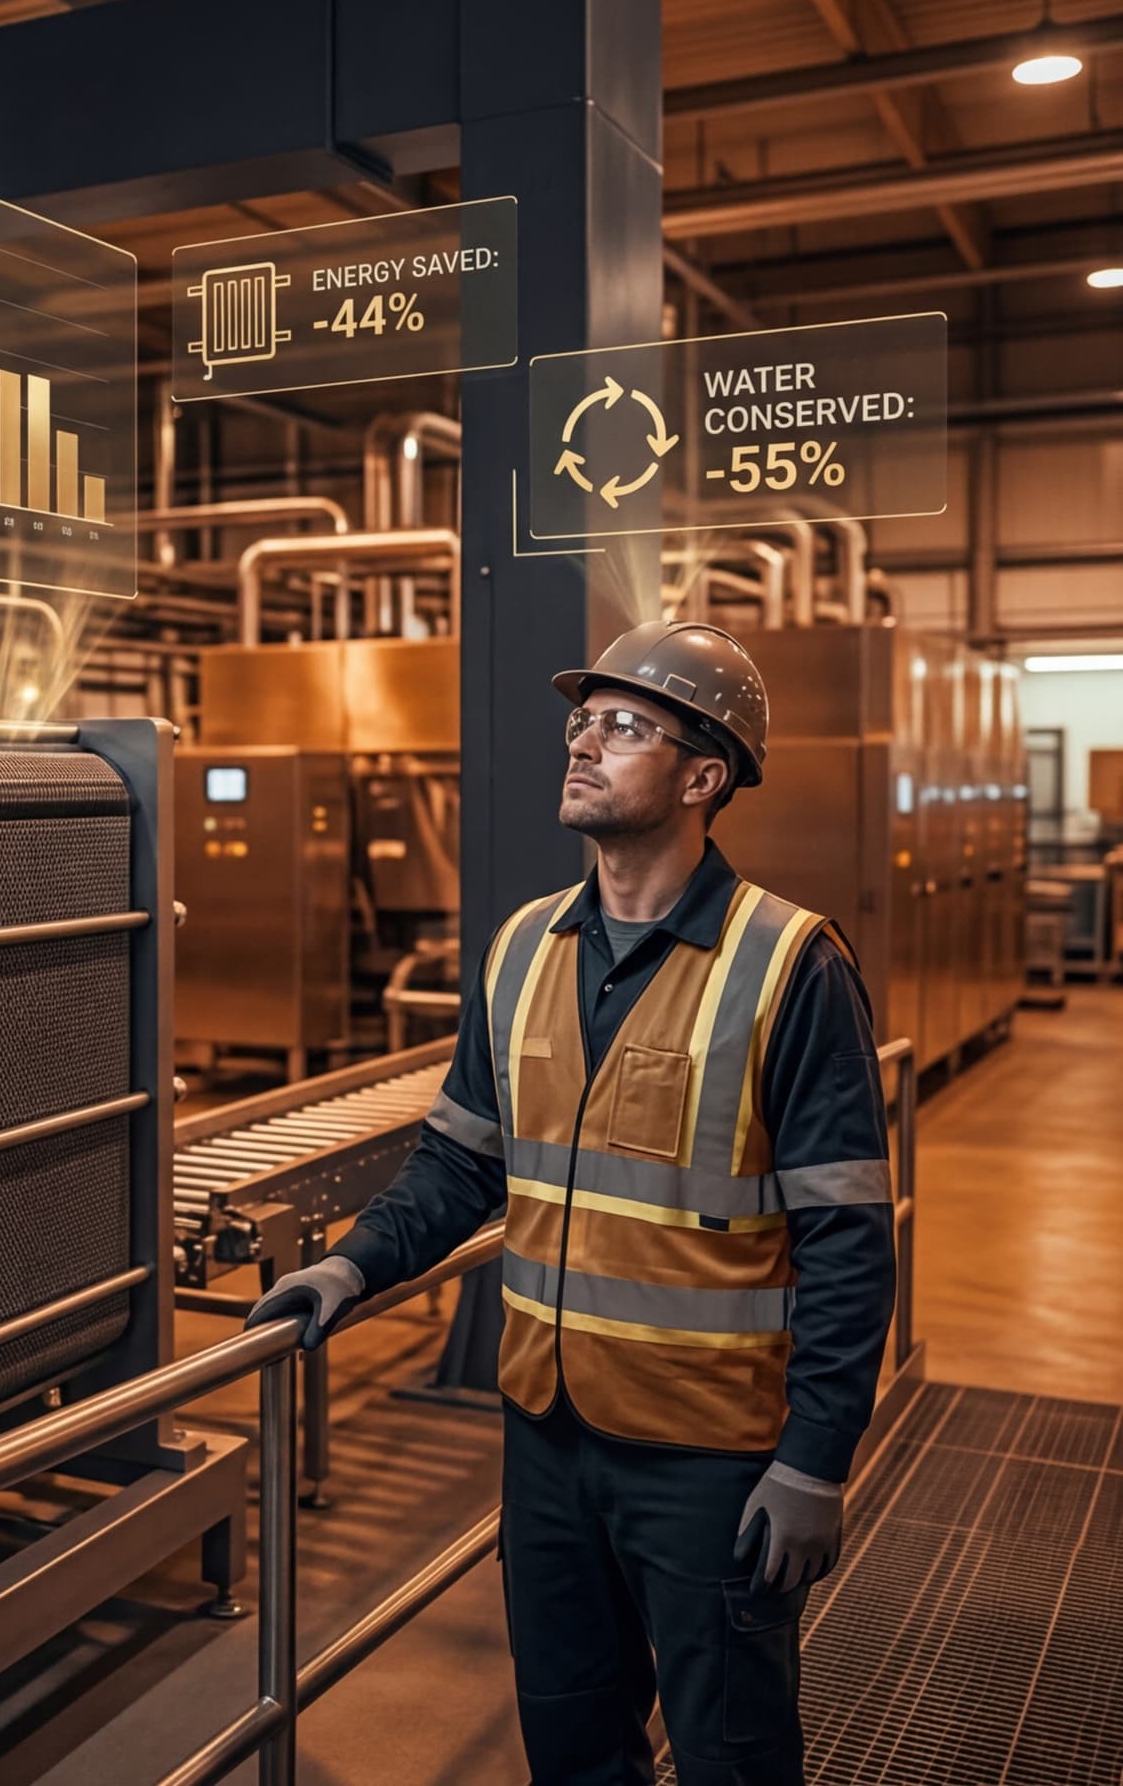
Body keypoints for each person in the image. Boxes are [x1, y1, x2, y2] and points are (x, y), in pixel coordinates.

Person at [246, 620, 897, 1786]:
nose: (586, 744)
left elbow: (849, 1240)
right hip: (547, 1440)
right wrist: (352, 1267)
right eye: (583, 723)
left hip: (712, 1461)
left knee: (732, 1751)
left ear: (705, 779)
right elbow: (459, 1165)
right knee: (572, 1743)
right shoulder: (518, 951)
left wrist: (815, 1460)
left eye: (627, 727)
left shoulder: (791, 966)